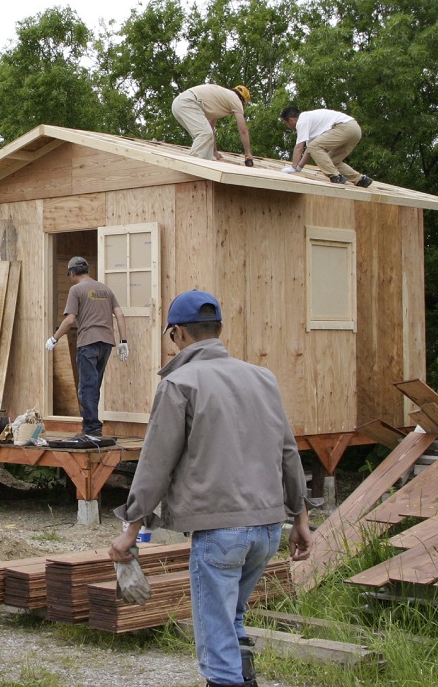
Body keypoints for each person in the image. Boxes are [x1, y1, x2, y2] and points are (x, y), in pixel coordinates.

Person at [109, 290, 311, 687]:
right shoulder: (263, 378)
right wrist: (301, 518)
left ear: (178, 334)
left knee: (215, 643)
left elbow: (155, 464)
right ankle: (244, 676)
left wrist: (130, 531)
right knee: (231, 618)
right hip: (268, 530)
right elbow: (288, 451)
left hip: (220, 533)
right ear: (218, 330)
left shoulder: (179, 383)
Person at [45, 256, 129, 437]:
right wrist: (123, 342)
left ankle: (92, 429)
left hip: (88, 343)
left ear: (72, 272)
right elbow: (120, 315)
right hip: (106, 343)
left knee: (86, 388)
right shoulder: (105, 289)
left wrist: (54, 338)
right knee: (94, 386)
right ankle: (92, 427)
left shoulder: (76, 290)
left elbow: (70, 320)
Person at [279, 106, 372, 188]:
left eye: (285, 123)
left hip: (344, 126)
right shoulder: (311, 122)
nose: (288, 126)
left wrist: (292, 167)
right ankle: (360, 180)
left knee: (315, 147)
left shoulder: (302, 121)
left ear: (291, 120)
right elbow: (309, 150)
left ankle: (335, 176)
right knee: (330, 161)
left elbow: (299, 146)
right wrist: (298, 168)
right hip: (355, 129)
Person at [171, 84, 255, 166]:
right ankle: (191, 166)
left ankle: (199, 166)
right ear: (243, 100)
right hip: (188, 103)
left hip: (178, 104)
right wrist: (248, 153)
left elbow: (210, 126)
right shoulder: (236, 100)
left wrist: (214, 151)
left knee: (204, 142)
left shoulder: (222, 97)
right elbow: (243, 130)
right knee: (204, 134)